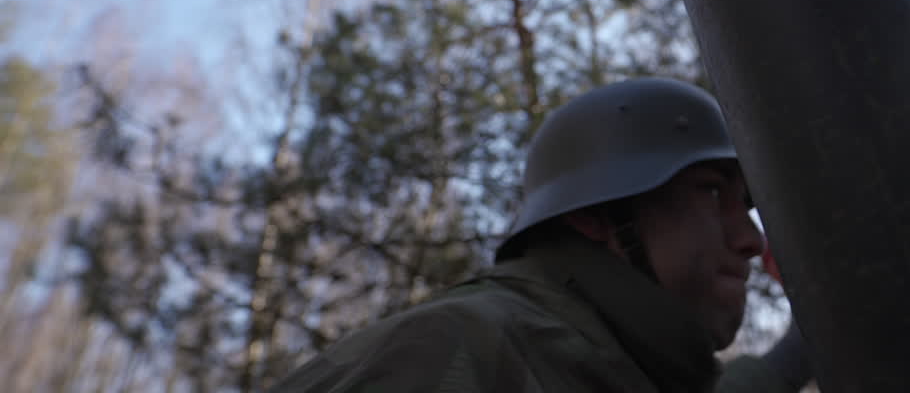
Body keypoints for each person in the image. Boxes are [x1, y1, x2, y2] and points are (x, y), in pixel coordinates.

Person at [267, 77, 813, 392]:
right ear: (597, 216)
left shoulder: (622, 370)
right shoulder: (459, 346)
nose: (750, 240)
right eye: (712, 194)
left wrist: (797, 358)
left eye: (746, 206)